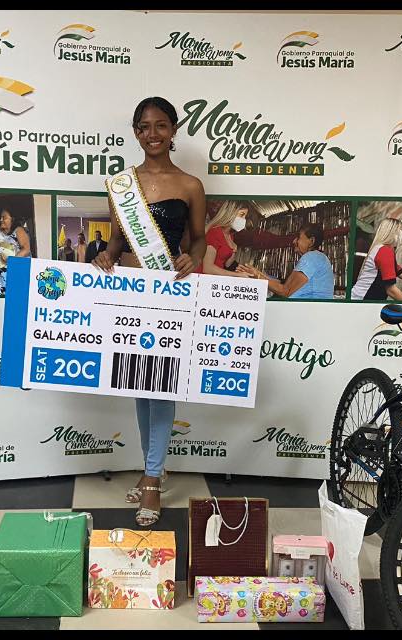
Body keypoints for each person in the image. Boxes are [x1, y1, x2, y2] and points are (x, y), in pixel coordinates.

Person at [92, 96, 206, 527]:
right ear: (136, 132)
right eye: (144, 126)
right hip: (131, 293)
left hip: (169, 292)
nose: (152, 134)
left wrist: (194, 258)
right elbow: (117, 241)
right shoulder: (122, 185)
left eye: (161, 125)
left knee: (163, 385)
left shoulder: (190, 185)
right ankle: (151, 467)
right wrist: (106, 256)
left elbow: (198, 239)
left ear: (173, 130)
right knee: (141, 384)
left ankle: (153, 478)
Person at [238, 223, 334, 299]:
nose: (294, 241)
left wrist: (257, 276)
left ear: (311, 241)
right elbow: (285, 286)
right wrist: (257, 273)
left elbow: (285, 291)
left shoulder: (311, 257)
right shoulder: (318, 258)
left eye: (298, 237)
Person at [350, 217, 402, 301]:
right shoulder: (385, 251)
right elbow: (391, 290)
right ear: (392, 232)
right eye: (401, 230)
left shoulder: (380, 249)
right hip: (362, 299)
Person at [202, 201, 253, 277]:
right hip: (203, 279)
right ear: (230, 213)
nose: (244, 219)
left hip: (215, 279)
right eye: (242, 215)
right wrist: (237, 275)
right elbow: (207, 268)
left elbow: (227, 264)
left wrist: (234, 251)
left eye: (245, 216)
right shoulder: (214, 232)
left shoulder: (229, 235)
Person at [0, 209, 31, 296]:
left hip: (16, 270)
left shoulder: (18, 230)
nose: (1, 220)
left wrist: (11, 260)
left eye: (4, 217)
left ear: (12, 219)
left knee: (17, 296)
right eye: (0, 217)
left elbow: (26, 249)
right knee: (3, 298)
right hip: (2, 274)